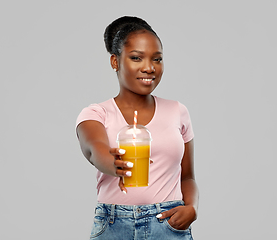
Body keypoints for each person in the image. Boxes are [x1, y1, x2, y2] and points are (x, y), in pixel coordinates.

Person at [76, 16, 199, 239]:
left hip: (168, 224)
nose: (149, 67)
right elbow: (94, 150)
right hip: (114, 226)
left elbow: (188, 177)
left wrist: (192, 208)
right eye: (136, 58)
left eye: (157, 59)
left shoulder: (178, 111)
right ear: (115, 61)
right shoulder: (96, 113)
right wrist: (114, 164)